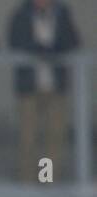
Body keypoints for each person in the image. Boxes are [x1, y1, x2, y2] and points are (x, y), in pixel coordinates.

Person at [8, 0, 81, 182]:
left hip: (55, 86)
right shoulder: (21, 14)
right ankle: (27, 180)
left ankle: (47, 178)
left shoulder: (62, 13)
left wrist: (54, 50)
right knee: (28, 135)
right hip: (29, 86)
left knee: (54, 135)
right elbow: (15, 41)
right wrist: (36, 50)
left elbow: (73, 40)